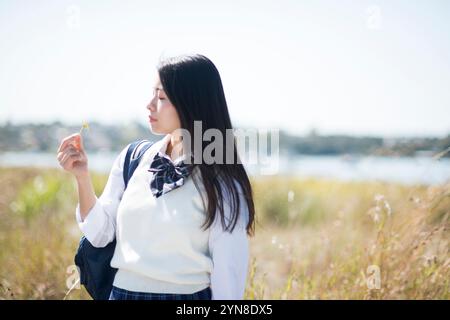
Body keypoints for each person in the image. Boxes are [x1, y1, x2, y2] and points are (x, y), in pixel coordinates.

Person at [57, 53, 255, 300]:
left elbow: (229, 273)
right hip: (121, 294)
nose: (150, 104)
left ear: (191, 102)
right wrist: (82, 178)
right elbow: (100, 234)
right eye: (153, 93)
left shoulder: (221, 180)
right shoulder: (134, 158)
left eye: (161, 97)